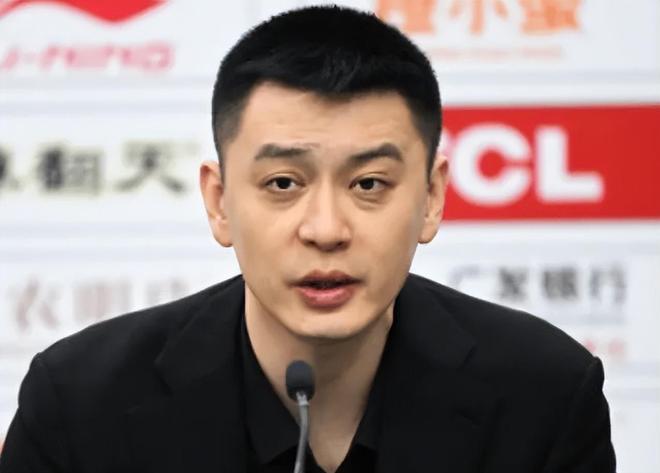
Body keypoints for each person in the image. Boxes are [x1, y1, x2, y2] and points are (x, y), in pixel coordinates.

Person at [0, 5, 616, 473]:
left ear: (431, 198)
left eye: (369, 183)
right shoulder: (81, 405)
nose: (325, 230)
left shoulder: (545, 396)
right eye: (283, 183)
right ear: (219, 201)